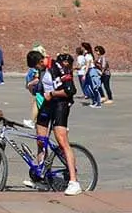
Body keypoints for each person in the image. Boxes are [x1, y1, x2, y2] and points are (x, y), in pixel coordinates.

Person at [36, 52, 81, 195]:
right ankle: (41, 176)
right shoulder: (42, 70)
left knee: (61, 141)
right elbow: (43, 88)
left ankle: (74, 181)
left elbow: (70, 90)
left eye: (37, 65)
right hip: (48, 104)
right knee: (40, 140)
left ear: (41, 61)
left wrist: (53, 94)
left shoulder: (58, 67)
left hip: (61, 105)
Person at [24, 50, 45, 129]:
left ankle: (32, 121)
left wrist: (30, 83)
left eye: (35, 66)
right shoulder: (41, 68)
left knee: (38, 102)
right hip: (44, 92)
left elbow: (38, 79)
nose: (36, 68)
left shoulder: (47, 68)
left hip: (47, 93)